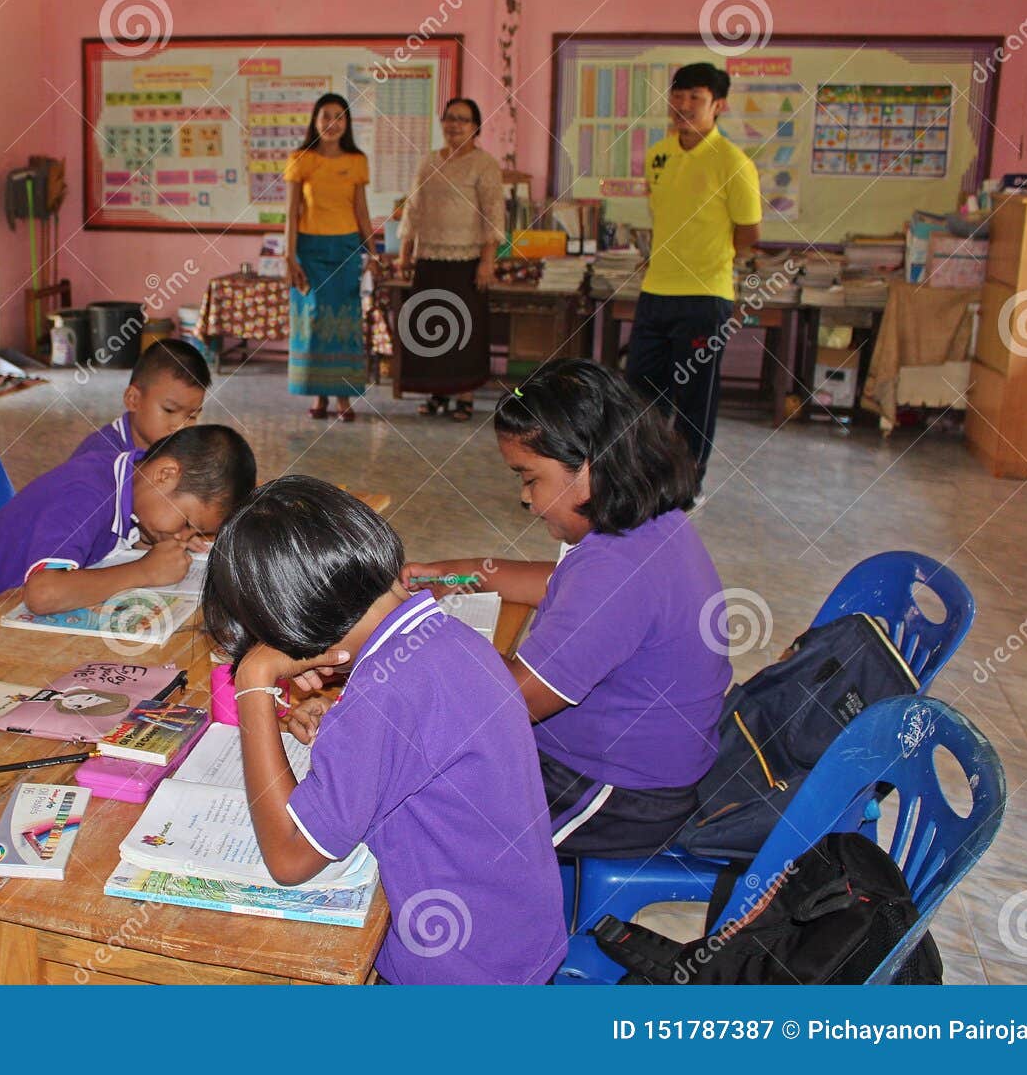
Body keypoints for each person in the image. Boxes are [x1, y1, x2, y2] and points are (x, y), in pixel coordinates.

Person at [203, 477, 566, 984]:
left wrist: (253, 684)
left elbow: (288, 858)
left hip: (458, 971)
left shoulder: (387, 693)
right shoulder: (442, 635)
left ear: (291, 626)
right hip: (514, 935)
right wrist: (343, 705)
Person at [403, 360, 731, 858]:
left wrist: (404, 669)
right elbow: (553, 582)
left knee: (422, 819)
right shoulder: (644, 529)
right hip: (615, 764)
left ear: (590, 466)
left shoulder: (617, 570)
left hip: (616, 793)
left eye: (530, 479)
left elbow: (506, 704)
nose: (525, 498)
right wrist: (453, 574)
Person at [629, 61, 761, 481]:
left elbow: (748, 232)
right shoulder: (658, 155)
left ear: (718, 105)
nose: (683, 106)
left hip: (706, 297)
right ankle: (644, 481)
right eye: (678, 96)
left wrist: (712, 261)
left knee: (694, 397)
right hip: (655, 293)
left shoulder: (734, 162)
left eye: (696, 99)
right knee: (642, 396)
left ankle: (687, 483)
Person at [0, 425, 255, 610]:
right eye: (188, 524)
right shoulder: (89, 493)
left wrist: (153, 547)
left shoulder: (133, 479)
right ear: (165, 474)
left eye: (196, 534)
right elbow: (43, 592)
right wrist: (145, 571)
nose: (184, 537)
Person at [397, 97, 505, 421]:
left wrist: (488, 261)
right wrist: (405, 252)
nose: (454, 124)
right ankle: (437, 393)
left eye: (463, 119)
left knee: (465, 330)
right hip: (429, 257)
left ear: (476, 128)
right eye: (449, 118)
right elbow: (413, 208)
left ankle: (464, 396)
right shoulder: (428, 161)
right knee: (432, 326)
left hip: (467, 261)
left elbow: (493, 214)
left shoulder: (485, 164)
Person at [283, 93, 376, 421]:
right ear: (315, 119)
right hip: (309, 252)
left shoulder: (357, 160)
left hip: (346, 250)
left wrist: (373, 251)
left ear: (347, 123)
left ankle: (343, 398)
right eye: (326, 116)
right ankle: (318, 395)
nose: (332, 123)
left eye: (339, 116)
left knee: (345, 323)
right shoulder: (300, 158)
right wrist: (289, 257)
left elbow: (361, 209)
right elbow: (291, 213)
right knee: (314, 321)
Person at [71, 337, 210, 460]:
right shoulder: (99, 458)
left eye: (192, 416)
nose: (181, 427)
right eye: (169, 410)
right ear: (133, 399)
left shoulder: (180, 452)